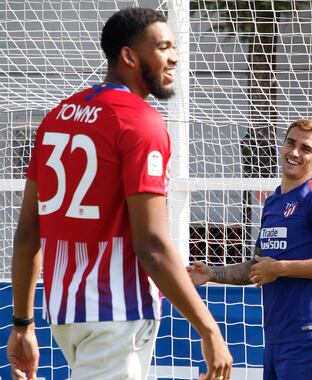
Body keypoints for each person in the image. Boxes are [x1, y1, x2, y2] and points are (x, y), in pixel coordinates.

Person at [7, 7, 232, 380]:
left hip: (65, 314)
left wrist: (22, 323)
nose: (175, 56)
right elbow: (153, 245)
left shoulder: (57, 117)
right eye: (163, 47)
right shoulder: (140, 122)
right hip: (117, 312)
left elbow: (28, 231)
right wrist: (208, 329)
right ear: (129, 55)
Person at [187, 119, 312, 380]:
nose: (295, 153)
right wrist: (212, 274)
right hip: (276, 338)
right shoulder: (274, 202)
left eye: (306, 149)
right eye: (291, 143)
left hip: (308, 337)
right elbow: (259, 266)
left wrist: (281, 268)